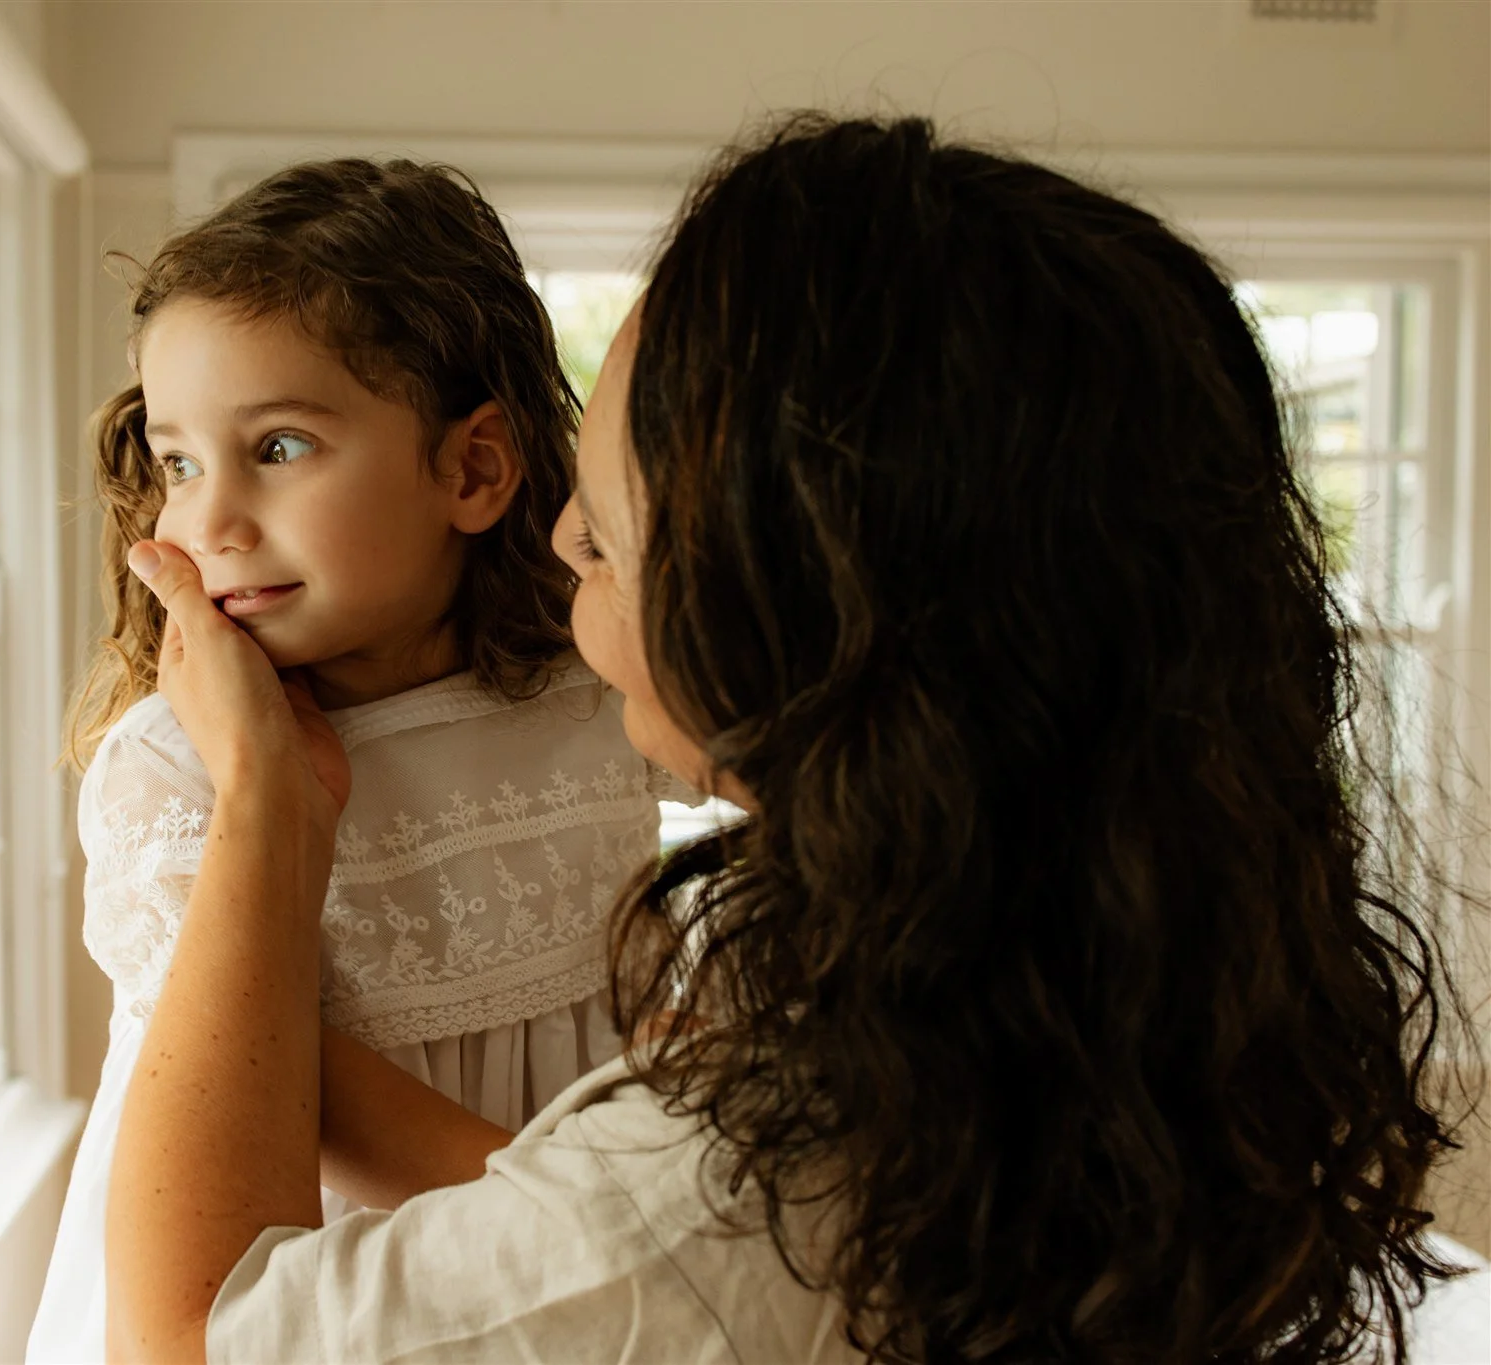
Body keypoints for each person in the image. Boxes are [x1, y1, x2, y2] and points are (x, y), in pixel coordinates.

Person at [105, 114, 1487, 1364]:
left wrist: (270, 807)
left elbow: (189, 1343)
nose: (566, 536)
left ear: (826, 610)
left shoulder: (735, 1195)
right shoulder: (1106, 1001)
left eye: (622, 514)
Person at [28, 158, 688, 1363]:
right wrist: (609, 1225)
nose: (210, 521)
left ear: (471, 470)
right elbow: (293, 1089)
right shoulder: (179, 770)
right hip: (319, 1266)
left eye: (278, 447)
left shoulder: (588, 695)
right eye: (178, 462)